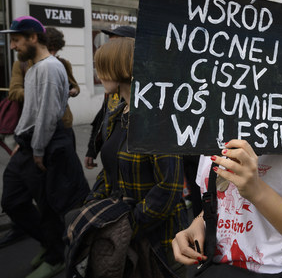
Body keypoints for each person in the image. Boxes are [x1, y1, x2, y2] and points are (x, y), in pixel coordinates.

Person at [84, 37, 188, 277]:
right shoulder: (118, 113)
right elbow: (110, 169)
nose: (98, 75)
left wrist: (129, 224)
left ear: (121, 67)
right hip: (123, 234)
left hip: (156, 242)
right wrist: (93, 204)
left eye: (102, 67)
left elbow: (169, 188)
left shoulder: (156, 117)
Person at [0, 16, 88, 278]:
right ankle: (50, 243)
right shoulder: (33, 66)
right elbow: (30, 110)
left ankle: (55, 256)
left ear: (33, 38)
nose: (13, 46)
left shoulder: (49, 68)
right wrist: (20, 141)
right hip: (27, 144)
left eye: (16, 40)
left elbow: (49, 114)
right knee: (12, 200)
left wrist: (37, 149)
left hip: (44, 145)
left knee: (48, 204)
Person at [85, 25, 136, 169]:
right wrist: (93, 149)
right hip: (113, 153)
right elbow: (103, 117)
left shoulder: (146, 117)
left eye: (115, 46)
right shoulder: (116, 95)